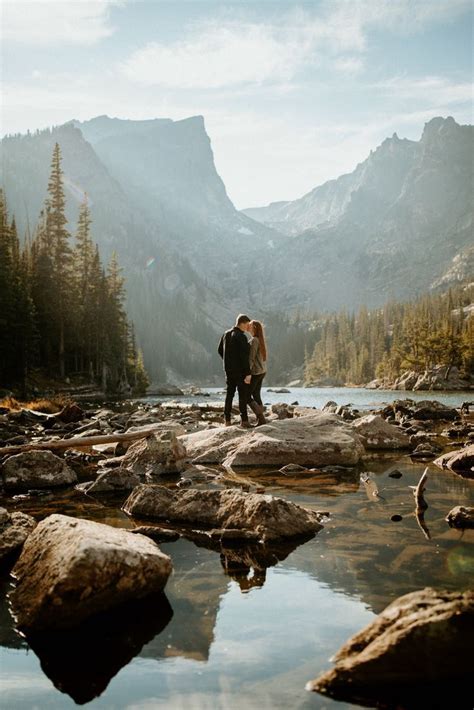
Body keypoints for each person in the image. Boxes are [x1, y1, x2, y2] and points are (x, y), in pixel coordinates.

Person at [218, 314, 252, 428]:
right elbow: (244, 357)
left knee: (229, 394)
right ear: (242, 323)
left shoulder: (226, 334)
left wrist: (227, 361)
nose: (248, 327)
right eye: (247, 325)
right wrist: (248, 373)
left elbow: (219, 350)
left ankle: (227, 420)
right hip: (240, 372)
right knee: (242, 395)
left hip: (228, 370)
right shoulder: (241, 336)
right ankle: (244, 421)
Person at [248, 319, 267, 426]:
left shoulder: (255, 340)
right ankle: (261, 419)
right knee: (256, 394)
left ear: (254, 328)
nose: (248, 328)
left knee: (246, 395)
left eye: (250, 326)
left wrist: (247, 373)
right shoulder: (260, 339)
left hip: (255, 372)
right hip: (262, 371)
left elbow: (251, 358)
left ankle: (261, 417)